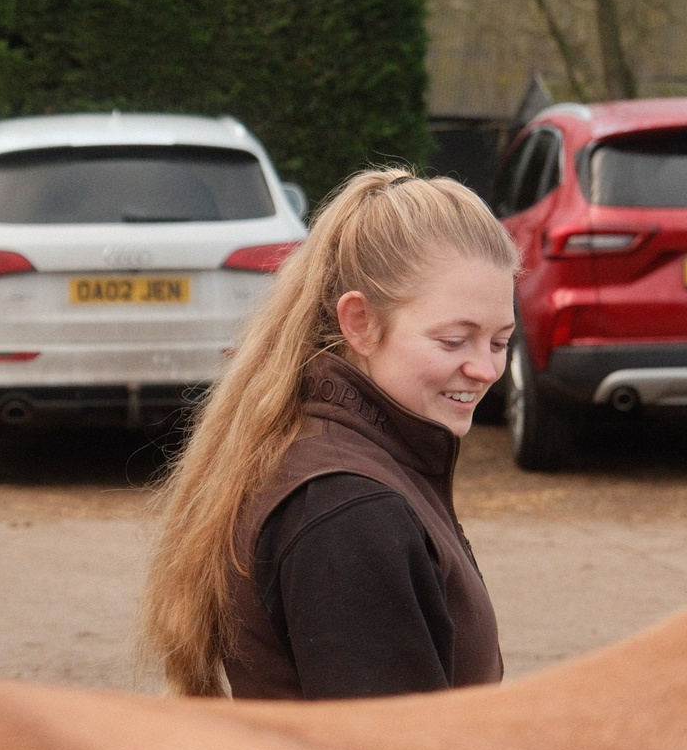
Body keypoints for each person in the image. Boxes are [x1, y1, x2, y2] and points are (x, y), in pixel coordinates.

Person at [142, 170, 522, 699]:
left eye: (500, 343)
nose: (485, 370)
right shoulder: (348, 510)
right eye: (455, 340)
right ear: (360, 323)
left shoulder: (345, 457)